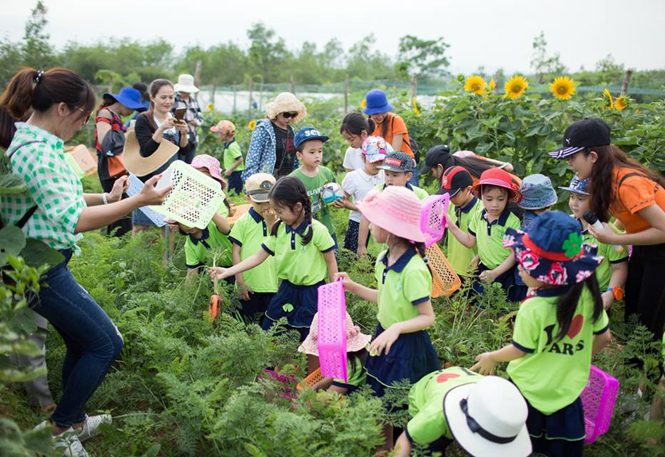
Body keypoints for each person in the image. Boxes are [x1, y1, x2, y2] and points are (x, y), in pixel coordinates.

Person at [0, 67, 170, 456]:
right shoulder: (40, 152)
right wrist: (137, 202)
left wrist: (111, 198)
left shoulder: (26, 139)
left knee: (83, 339)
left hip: (35, 261)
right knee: (106, 343)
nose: (80, 127)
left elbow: (59, 200)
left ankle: (72, 419)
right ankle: (59, 431)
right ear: (62, 108)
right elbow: (75, 219)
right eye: (80, 117)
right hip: (37, 269)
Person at [472, 211, 612, 457]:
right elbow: (604, 338)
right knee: (561, 449)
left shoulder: (534, 307)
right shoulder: (589, 298)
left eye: (526, 264)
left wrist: (492, 357)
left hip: (527, 391)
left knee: (517, 446)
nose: (521, 270)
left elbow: (520, 349)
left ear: (545, 273)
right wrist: (580, 356)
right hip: (567, 394)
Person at [335, 186, 441, 449]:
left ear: (391, 228)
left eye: (373, 221)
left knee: (402, 404)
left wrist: (397, 329)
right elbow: (384, 297)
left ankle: (404, 449)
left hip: (407, 346)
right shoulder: (384, 258)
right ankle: (384, 450)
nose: (368, 226)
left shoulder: (414, 269)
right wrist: (353, 286)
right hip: (385, 337)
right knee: (381, 399)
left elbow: (427, 317)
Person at [549, 117, 665, 344]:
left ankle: (648, 377)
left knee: (648, 321)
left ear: (593, 156)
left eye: (573, 157)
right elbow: (629, 215)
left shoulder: (627, 183)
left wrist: (616, 237)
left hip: (660, 250)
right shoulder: (604, 179)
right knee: (634, 316)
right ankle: (634, 374)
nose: (570, 164)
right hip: (646, 246)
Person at [210, 177, 338, 345]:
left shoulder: (318, 230)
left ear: (298, 207)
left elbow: (330, 262)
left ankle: (310, 370)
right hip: (286, 289)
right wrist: (227, 272)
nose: (275, 215)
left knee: (311, 337)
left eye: (279, 211)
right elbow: (258, 256)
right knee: (273, 332)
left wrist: (334, 294)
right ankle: (280, 370)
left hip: (312, 292)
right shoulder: (279, 230)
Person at [394, 369, 532, 457]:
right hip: (423, 394)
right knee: (430, 448)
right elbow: (406, 439)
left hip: (458, 379)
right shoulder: (435, 415)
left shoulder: (498, 405)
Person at [445, 168, 523, 300]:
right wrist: (451, 226)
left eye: (500, 199)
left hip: (504, 271)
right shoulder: (478, 216)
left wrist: (495, 273)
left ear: (508, 198)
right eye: (489, 199)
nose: (495, 204)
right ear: (481, 197)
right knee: (481, 304)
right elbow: (470, 241)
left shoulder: (512, 222)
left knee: (501, 307)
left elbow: (514, 254)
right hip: (484, 269)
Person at [560, 176, 629, 309]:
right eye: (572, 196)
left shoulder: (610, 233)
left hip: (597, 296)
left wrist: (610, 293)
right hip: (567, 292)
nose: (574, 203)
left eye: (580, 199)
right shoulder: (564, 225)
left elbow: (620, 268)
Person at [133, 79, 189, 234]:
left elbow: (183, 152)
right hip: (149, 178)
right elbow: (146, 151)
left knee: (168, 226)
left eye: (171, 97)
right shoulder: (144, 119)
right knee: (141, 226)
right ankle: (135, 258)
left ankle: (166, 259)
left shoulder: (175, 118)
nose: (168, 101)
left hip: (170, 179)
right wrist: (161, 128)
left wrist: (184, 134)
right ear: (152, 97)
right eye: (163, 97)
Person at [94, 87, 145, 237]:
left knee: (121, 209)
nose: (132, 112)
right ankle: (116, 247)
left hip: (117, 167)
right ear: (125, 103)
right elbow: (106, 144)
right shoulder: (105, 113)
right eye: (132, 107)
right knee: (118, 209)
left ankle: (117, 245)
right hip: (110, 167)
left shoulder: (114, 115)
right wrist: (126, 134)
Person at [357, 151, 429, 257]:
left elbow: (427, 221)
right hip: (378, 250)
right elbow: (365, 218)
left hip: (409, 250)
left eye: (395, 175)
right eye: (386, 174)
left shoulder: (419, 195)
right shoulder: (376, 193)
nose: (390, 179)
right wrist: (361, 245)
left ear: (408, 176)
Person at [228, 173, 278, 322]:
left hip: (274, 284)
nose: (265, 206)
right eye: (259, 202)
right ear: (248, 199)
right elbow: (235, 251)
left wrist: (271, 222)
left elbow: (278, 243)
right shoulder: (243, 222)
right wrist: (240, 281)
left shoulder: (280, 219)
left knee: (270, 326)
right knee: (247, 324)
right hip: (250, 286)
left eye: (269, 201)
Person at [297, 312, 371, 395]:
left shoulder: (350, 365)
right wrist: (317, 386)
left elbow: (329, 397)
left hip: (361, 396)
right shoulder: (363, 348)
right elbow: (337, 373)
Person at [336, 136, 387, 253]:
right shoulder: (353, 177)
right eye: (373, 161)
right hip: (357, 223)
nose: (376, 165)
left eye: (380, 161)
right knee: (356, 258)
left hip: (380, 224)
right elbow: (344, 199)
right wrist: (360, 208)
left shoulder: (385, 175)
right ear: (363, 157)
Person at [242, 92, 307, 182]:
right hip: (267, 181)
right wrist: (250, 183)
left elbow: (295, 160)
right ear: (278, 112)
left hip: (287, 181)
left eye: (293, 115)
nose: (289, 118)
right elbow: (253, 159)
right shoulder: (264, 129)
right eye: (286, 114)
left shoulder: (292, 131)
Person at [512, 174, 558, 299]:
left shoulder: (526, 217)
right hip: (533, 280)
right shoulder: (540, 228)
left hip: (521, 276)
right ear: (549, 205)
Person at [289, 127, 337, 242]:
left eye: (320, 151)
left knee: (333, 259)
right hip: (305, 233)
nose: (317, 155)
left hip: (327, 230)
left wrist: (337, 202)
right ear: (299, 155)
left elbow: (337, 195)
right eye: (312, 152)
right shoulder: (292, 180)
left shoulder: (327, 173)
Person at [363, 89, 418, 186]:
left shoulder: (395, 120)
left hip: (404, 167)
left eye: (382, 112)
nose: (380, 117)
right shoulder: (369, 125)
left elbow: (394, 153)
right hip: (386, 168)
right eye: (375, 114)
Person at [437, 166, 482, 278]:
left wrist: (451, 225)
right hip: (451, 269)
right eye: (448, 195)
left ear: (468, 190)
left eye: (454, 195)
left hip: (472, 273)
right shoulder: (450, 205)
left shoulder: (481, 210)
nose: (450, 199)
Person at [420, 145, 518, 186]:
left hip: (515, 195)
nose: (432, 174)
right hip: (517, 184)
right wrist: (504, 165)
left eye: (432, 171)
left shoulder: (460, 178)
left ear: (440, 167)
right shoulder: (467, 159)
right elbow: (507, 166)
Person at [172, 74, 203, 163]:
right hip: (179, 137)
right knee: (180, 162)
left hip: (192, 138)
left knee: (190, 164)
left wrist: (195, 122)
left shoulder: (193, 101)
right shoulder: (174, 100)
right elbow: (170, 117)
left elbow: (200, 118)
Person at [211, 120, 245, 195]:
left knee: (233, 192)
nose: (218, 135)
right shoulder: (228, 144)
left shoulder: (232, 146)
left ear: (223, 134)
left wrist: (230, 169)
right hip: (233, 172)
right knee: (232, 190)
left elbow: (240, 159)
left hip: (236, 172)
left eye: (218, 133)